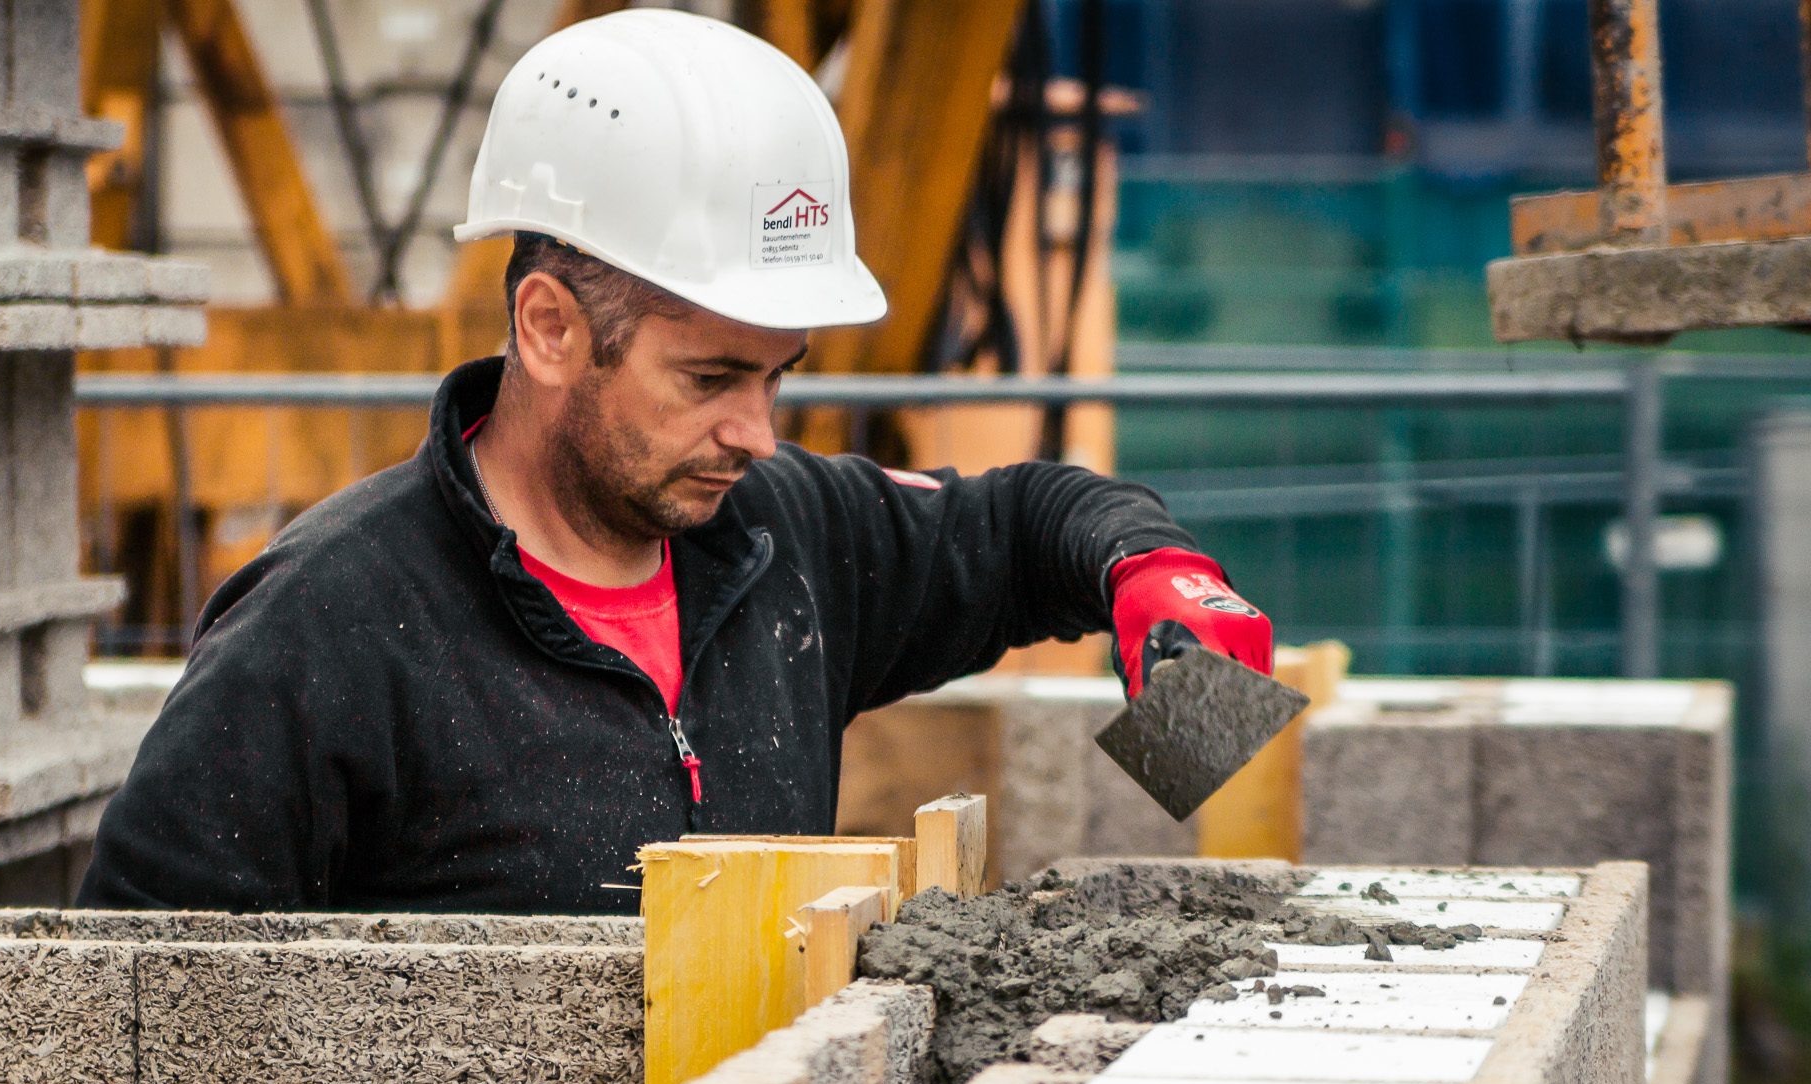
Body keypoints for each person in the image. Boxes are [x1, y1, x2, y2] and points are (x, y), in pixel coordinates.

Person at [76, 10, 1271, 915]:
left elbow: (1024, 525)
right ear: (549, 328)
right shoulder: (326, 625)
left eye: (776, 376)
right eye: (708, 379)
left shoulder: (783, 538)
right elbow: (126, 1009)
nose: (757, 433)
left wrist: (1151, 571)